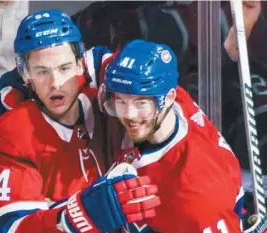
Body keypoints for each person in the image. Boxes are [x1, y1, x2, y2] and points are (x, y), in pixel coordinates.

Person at [0, 9, 160, 233]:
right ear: (25, 74)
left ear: (80, 64)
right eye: (41, 71)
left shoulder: (109, 109)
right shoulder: (12, 133)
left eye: (64, 68)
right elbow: (9, 227)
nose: (55, 82)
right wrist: (78, 215)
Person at [99, 39, 244, 233]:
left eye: (141, 103)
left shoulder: (194, 196)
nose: (129, 115)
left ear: (169, 98)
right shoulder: (169, 96)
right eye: (120, 101)